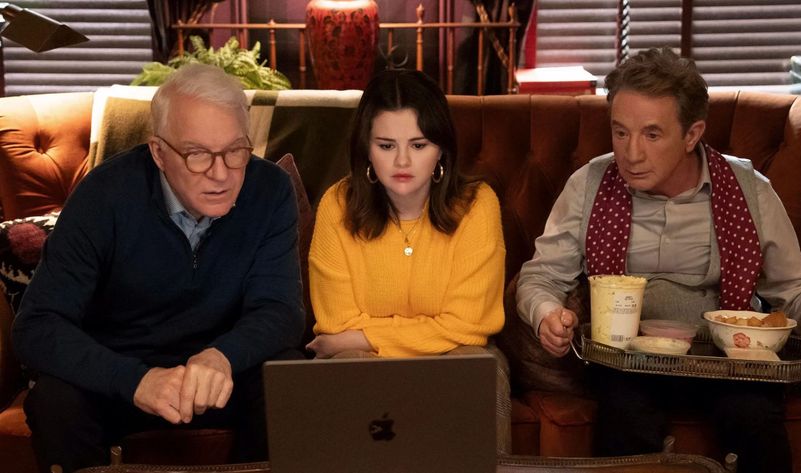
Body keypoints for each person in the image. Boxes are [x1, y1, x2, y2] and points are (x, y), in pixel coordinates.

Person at [516, 47, 801, 473]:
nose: (631, 153)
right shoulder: (589, 185)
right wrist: (546, 314)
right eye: (620, 132)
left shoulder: (749, 190)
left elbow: (794, 287)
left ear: (692, 134)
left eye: (652, 135)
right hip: (627, 359)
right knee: (624, 415)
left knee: (753, 418)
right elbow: (540, 276)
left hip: (726, 359)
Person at [12, 63, 305, 473]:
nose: (221, 174)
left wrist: (222, 356)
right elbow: (37, 326)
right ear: (159, 152)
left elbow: (281, 310)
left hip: (223, 376)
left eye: (236, 151)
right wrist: (136, 380)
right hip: (120, 380)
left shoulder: (270, 189)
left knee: (289, 375)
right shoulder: (102, 196)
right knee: (55, 398)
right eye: (198, 155)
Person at [305, 69, 510, 452]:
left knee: (477, 368)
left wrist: (364, 335)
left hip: (456, 354)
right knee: (348, 364)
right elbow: (336, 324)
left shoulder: (478, 205)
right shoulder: (337, 204)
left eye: (418, 145)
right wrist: (358, 340)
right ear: (365, 148)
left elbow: (470, 327)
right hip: (359, 357)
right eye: (386, 145)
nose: (402, 161)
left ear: (441, 150)